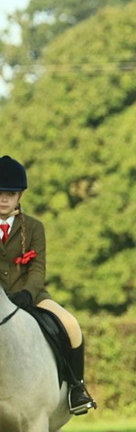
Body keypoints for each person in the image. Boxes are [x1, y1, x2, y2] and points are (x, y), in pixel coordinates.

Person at [0, 155, 97, 414]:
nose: (3, 199)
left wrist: (26, 294)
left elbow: (38, 268)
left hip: (31, 295)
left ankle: (77, 389)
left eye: (10, 193)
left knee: (71, 325)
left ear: (19, 195)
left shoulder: (33, 227)